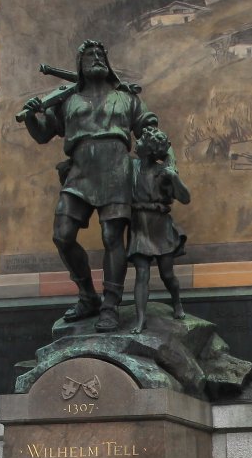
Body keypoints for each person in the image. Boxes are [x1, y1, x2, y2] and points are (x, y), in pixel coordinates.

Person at [20, 39, 162, 333]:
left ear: (108, 64)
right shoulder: (66, 100)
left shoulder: (126, 98)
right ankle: (88, 296)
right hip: (79, 172)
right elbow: (43, 134)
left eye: (100, 54)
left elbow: (149, 130)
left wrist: (163, 162)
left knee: (112, 237)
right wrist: (32, 117)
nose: (96, 58)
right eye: (90, 55)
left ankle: (110, 306)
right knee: (62, 236)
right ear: (80, 65)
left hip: (117, 171)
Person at [126, 126, 190, 334]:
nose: (137, 142)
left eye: (141, 140)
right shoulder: (131, 166)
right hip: (139, 226)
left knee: (167, 274)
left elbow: (185, 198)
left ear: (149, 150)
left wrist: (175, 177)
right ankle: (141, 319)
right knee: (141, 273)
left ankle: (177, 301)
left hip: (160, 227)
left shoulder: (163, 172)